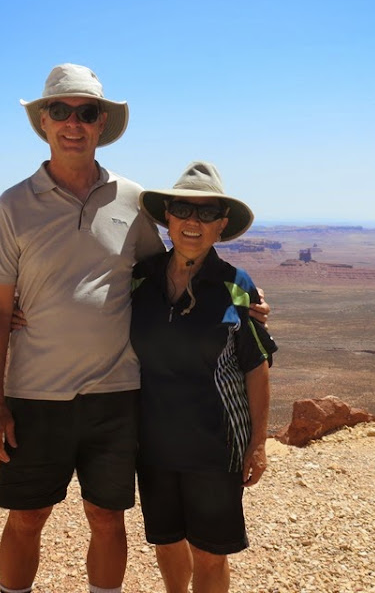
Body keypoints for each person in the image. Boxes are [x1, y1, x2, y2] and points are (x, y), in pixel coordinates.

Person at [0, 64, 270, 593]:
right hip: (35, 394)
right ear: (44, 121)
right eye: (61, 110)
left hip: (116, 397)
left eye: (87, 112)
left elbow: (171, 268)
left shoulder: (130, 200)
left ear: (101, 123)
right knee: (26, 515)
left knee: (107, 518)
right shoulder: (13, 204)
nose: (73, 123)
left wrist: (243, 295)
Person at [130, 161, 277, 593]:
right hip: (153, 443)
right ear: (167, 217)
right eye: (183, 210)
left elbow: (256, 367)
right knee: (166, 542)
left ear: (221, 224)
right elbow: (89, 309)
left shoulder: (236, 285)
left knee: (211, 553)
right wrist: (23, 310)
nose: (193, 222)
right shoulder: (140, 278)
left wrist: (259, 443)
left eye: (207, 213)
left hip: (216, 446)